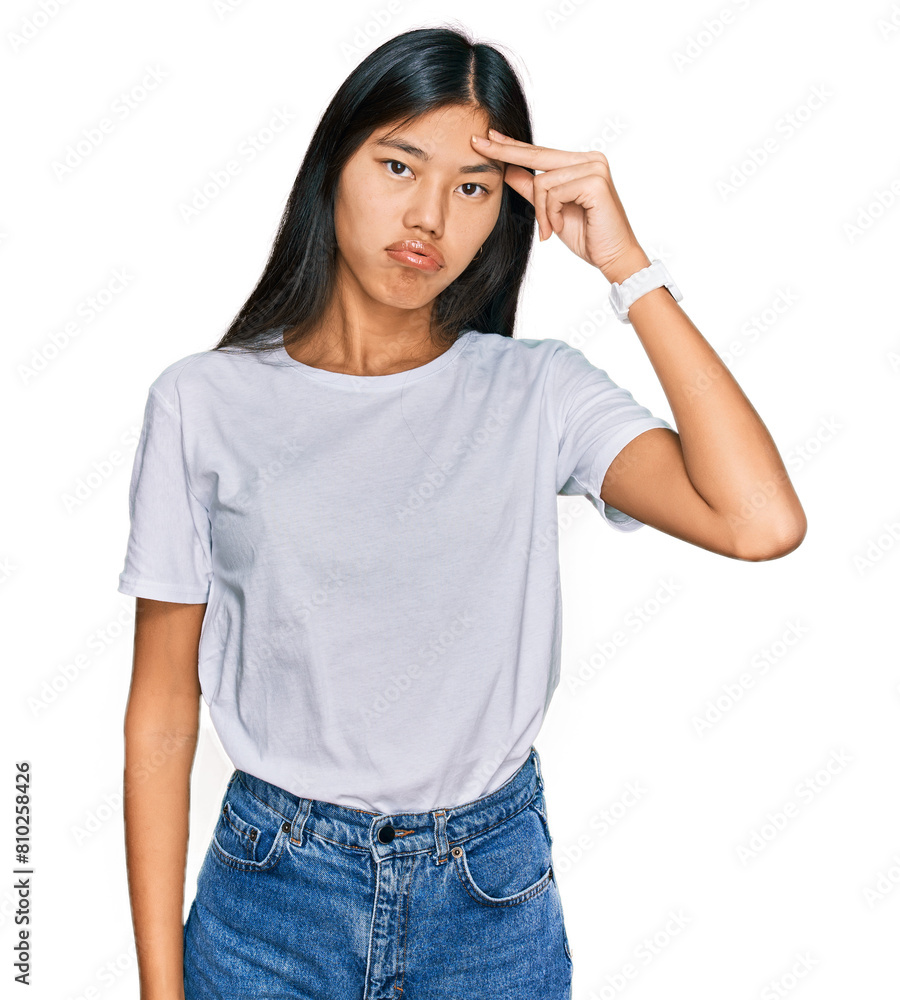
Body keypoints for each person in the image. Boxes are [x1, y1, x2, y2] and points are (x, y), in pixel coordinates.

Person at [118, 24, 806, 1000]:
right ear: (333, 165)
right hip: (270, 898)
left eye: (472, 187)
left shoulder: (539, 394)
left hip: (487, 904)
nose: (429, 215)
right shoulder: (203, 403)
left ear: (505, 212)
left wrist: (629, 266)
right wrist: (157, 987)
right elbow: (160, 710)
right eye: (399, 164)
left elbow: (759, 520)